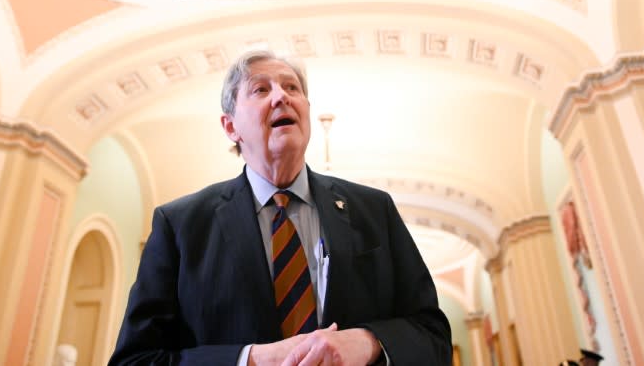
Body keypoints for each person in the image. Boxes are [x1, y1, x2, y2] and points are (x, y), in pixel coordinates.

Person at [109, 50, 452, 365]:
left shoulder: (374, 210)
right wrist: (250, 360)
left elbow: (433, 336)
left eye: (292, 87)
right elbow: (135, 361)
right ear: (231, 127)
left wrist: (370, 342)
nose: (281, 96)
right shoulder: (180, 225)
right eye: (260, 90)